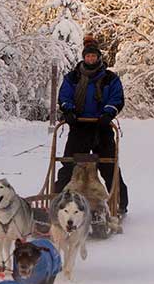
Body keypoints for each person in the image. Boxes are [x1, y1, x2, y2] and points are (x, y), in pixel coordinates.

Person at [55, 35, 129, 214]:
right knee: (68, 165)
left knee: (108, 166)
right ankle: (56, 200)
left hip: (101, 128)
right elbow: (64, 95)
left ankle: (119, 203)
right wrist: (69, 111)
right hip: (79, 127)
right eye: (87, 56)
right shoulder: (72, 77)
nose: (90, 59)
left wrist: (108, 112)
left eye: (93, 56)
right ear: (84, 57)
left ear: (98, 57)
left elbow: (117, 97)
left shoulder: (109, 78)